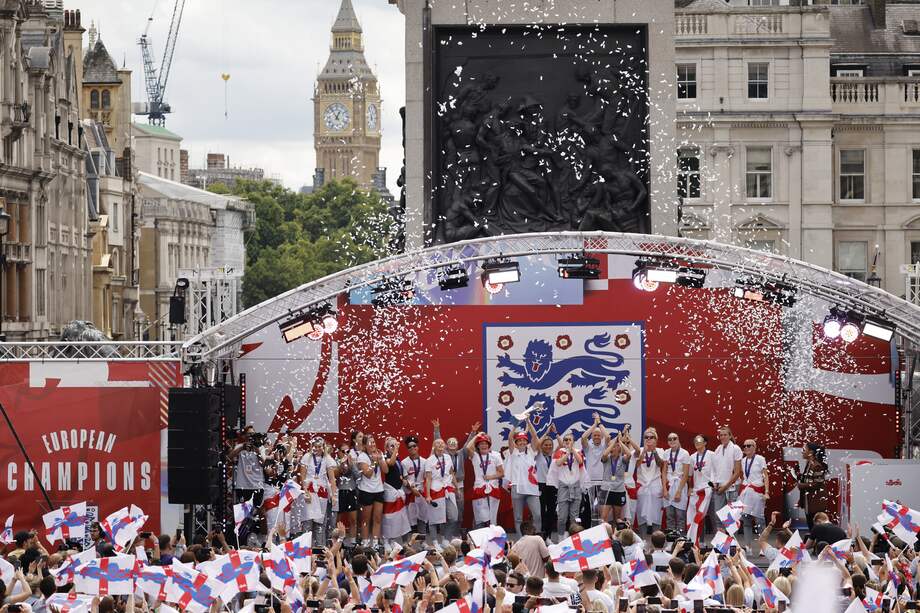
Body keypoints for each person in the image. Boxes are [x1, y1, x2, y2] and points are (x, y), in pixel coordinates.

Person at [433, 419, 478, 538]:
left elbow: (468, 444)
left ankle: (456, 533)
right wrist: (437, 429)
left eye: (454, 443)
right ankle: (444, 534)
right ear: (447, 445)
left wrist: (473, 433)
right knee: (445, 511)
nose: (452, 444)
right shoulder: (444, 454)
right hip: (446, 485)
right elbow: (438, 443)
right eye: (450, 443)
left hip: (460, 485)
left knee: (459, 510)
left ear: (457, 445)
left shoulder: (462, 453)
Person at [505, 424, 541, 537]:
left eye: (524, 440)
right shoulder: (513, 452)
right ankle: (521, 540)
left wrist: (528, 422)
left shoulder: (531, 451)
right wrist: (516, 424)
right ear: (516, 443)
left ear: (527, 442)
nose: (521, 442)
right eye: (519, 441)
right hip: (517, 488)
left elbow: (535, 436)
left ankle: (537, 537)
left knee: (537, 515)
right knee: (518, 518)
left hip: (531, 488)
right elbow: (510, 437)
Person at [548, 431, 585, 539]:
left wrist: (572, 449)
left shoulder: (578, 451)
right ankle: (560, 538)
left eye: (570, 440)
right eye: (566, 440)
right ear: (563, 442)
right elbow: (558, 463)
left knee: (574, 516)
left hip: (575, 486)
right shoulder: (560, 452)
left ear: (573, 441)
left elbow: (580, 461)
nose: (568, 441)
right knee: (562, 517)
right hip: (563, 486)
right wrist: (567, 453)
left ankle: (574, 538)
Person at [301, 436, 337, 546]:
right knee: (307, 523)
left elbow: (332, 479)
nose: (317, 449)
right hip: (310, 493)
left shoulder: (327, 459)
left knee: (320, 524)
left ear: (323, 447)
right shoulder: (307, 457)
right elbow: (302, 476)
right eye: (315, 446)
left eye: (319, 446)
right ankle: (305, 550)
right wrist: (305, 491)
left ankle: (319, 551)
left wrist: (334, 495)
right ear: (311, 447)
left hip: (322, 494)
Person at [424, 438, 458, 547]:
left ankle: (446, 539)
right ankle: (435, 542)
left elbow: (451, 473)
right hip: (435, 489)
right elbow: (428, 479)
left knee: (453, 516)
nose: (440, 445)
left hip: (448, 489)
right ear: (434, 446)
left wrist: (457, 488)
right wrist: (428, 495)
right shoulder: (429, 460)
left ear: (445, 446)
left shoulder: (447, 457)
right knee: (434, 518)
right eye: (438, 443)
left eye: (442, 443)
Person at [634, 427, 667, 536]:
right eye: (646, 437)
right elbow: (637, 464)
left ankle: (656, 540)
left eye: (651, 437)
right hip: (642, 486)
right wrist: (644, 451)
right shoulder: (638, 450)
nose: (648, 439)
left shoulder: (661, 451)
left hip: (655, 486)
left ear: (656, 440)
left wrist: (653, 451)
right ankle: (643, 539)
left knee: (656, 514)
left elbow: (660, 464)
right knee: (641, 514)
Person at [466, 432, 504, 527]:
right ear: (477, 446)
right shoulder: (475, 456)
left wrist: (490, 477)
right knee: (480, 516)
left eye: (485, 443)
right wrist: (477, 436)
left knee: (492, 517)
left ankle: (491, 538)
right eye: (481, 444)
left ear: (489, 445)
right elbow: (468, 447)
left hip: (493, 488)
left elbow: (501, 473)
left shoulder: (495, 456)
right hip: (479, 489)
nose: (483, 445)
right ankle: (478, 538)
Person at [737, 438, 769, 550]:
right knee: (746, 519)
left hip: (757, 491)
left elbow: (765, 476)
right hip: (746, 492)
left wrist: (767, 491)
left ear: (754, 447)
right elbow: (743, 477)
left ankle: (763, 548)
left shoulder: (760, 459)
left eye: (749, 445)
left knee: (759, 520)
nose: (746, 448)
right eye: (744, 446)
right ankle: (748, 546)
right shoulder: (743, 460)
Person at [709, 426, 742, 532]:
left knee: (730, 518)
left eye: (725, 434)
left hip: (731, 487)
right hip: (719, 487)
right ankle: (721, 545)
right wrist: (714, 483)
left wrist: (725, 486)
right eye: (721, 435)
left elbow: (737, 472)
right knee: (718, 515)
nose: (723, 437)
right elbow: (714, 469)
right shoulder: (718, 449)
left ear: (730, 436)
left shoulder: (736, 449)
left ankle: (732, 546)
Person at [356, 435, 386, 549]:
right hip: (366, 490)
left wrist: (380, 459)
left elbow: (385, 470)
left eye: (373, 442)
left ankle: (375, 543)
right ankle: (365, 542)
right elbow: (368, 474)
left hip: (379, 490)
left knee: (377, 518)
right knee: (365, 519)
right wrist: (373, 462)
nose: (373, 444)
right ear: (364, 446)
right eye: (370, 442)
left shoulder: (379, 453)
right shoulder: (362, 457)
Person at [684, 434, 715, 546]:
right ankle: (699, 541)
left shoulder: (712, 455)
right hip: (698, 492)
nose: (697, 442)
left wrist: (714, 484)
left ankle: (718, 545)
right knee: (698, 516)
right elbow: (690, 475)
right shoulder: (692, 457)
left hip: (710, 490)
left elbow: (716, 470)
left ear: (705, 442)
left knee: (713, 518)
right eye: (695, 440)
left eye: (699, 440)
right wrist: (690, 487)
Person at [580, 413, 611, 521]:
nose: (597, 437)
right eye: (594, 435)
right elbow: (583, 437)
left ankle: (601, 530)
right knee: (589, 509)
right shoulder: (588, 447)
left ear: (601, 436)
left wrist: (599, 422)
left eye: (598, 435)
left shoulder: (604, 446)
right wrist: (594, 424)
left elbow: (608, 436)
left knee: (602, 509)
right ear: (592, 437)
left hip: (602, 481)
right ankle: (588, 530)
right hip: (590, 482)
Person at [381, 437, 410, 548]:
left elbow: (399, 472)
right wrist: (396, 450)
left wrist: (403, 480)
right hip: (390, 491)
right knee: (389, 517)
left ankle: (399, 541)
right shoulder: (386, 457)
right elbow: (390, 463)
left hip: (398, 490)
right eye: (391, 446)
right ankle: (386, 540)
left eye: (395, 445)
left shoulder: (398, 459)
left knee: (400, 517)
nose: (394, 447)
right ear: (387, 449)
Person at [598, 431, 630, 524]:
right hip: (606, 490)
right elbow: (604, 455)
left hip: (618, 491)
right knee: (603, 518)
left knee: (617, 518)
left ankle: (615, 536)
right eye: (611, 446)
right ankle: (604, 536)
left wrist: (619, 442)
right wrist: (613, 443)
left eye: (614, 446)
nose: (612, 448)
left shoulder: (623, 459)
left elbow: (629, 454)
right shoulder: (607, 459)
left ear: (619, 449)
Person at [335, 437, 361, 548]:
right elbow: (335, 476)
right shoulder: (334, 461)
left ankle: (353, 542)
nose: (345, 453)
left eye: (347, 451)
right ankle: (335, 541)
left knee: (353, 519)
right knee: (338, 519)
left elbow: (358, 476)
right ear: (338, 452)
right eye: (343, 451)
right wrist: (341, 465)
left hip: (351, 491)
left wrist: (352, 465)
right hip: (340, 491)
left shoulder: (352, 460)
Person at [534, 423, 558, 539]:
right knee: (541, 511)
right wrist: (547, 433)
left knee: (552, 511)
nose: (548, 447)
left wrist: (556, 433)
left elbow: (562, 444)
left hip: (552, 485)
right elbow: (537, 443)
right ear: (542, 446)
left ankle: (548, 536)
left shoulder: (554, 456)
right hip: (541, 485)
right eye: (546, 445)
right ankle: (541, 534)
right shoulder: (538, 455)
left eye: (550, 445)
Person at [797, 442, 829, 529]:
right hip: (810, 503)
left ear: (810, 452)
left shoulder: (817, 466)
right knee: (811, 528)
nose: (802, 452)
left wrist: (801, 485)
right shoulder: (809, 464)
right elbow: (810, 480)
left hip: (816, 504)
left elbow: (817, 484)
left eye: (804, 450)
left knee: (816, 529)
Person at [664, 432, 690, 536]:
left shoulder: (684, 453)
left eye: (674, 438)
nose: (672, 441)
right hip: (669, 485)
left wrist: (679, 491)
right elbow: (664, 471)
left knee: (680, 516)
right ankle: (671, 540)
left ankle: (681, 540)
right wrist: (664, 489)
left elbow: (686, 474)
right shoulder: (666, 453)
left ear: (678, 440)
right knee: (669, 515)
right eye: (670, 439)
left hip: (680, 485)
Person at [401, 436, 427, 533]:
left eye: (414, 446)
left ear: (418, 447)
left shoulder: (425, 461)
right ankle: (410, 544)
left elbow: (427, 478)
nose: (412, 448)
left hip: (421, 493)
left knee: (422, 518)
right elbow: (404, 478)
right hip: (410, 494)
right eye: (409, 447)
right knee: (411, 520)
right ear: (407, 449)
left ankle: (422, 543)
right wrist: (412, 489)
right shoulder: (404, 462)